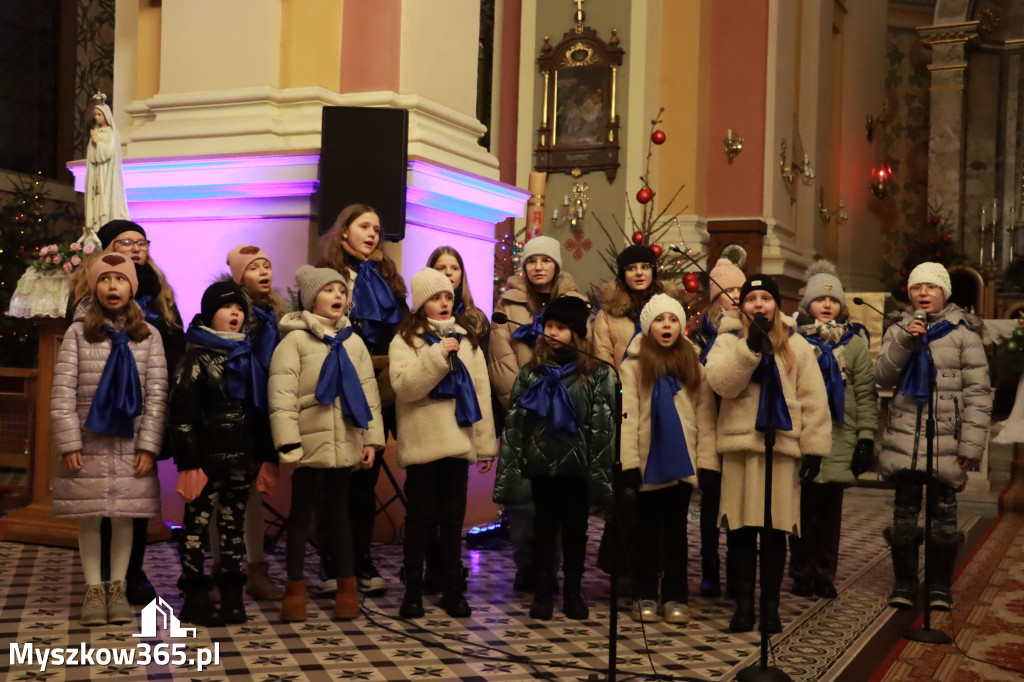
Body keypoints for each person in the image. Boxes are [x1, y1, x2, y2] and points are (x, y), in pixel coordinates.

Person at [67, 220, 185, 606]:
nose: (135, 248)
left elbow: (174, 343)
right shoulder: (90, 300)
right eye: (125, 242)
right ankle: (98, 581)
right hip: (96, 417)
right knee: (98, 501)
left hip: (142, 410)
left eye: (140, 242)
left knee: (133, 500)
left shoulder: (159, 295)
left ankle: (129, 575)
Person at [703, 274, 831, 633]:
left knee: (775, 532)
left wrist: (815, 448)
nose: (758, 304)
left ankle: (770, 608)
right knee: (741, 532)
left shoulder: (796, 344)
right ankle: (743, 607)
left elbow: (813, 399)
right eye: (751, 299)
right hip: (741, 447)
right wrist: (749, 349)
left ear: (777, 304)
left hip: (781, 448)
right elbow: (721, 384)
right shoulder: (728, 340)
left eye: (765, 298)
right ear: (742, 305)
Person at [50, 253, 167, 626]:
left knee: (124, 519)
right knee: (89, 517)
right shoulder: (78, 333)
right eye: (105, 279)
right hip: (89, 441)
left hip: (131, 444)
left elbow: (157, 394)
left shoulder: (148, 336)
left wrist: (149, 445)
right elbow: (63, 391)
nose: (112, 286)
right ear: (94, 286)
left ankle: (117, 587)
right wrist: (69, 442)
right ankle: (93, 589)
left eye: (120, 279)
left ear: (132, 288)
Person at [269, 266, 384, 622]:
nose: (338, 296)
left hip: (345, 440)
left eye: (341, 290)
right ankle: (295, 589)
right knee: (301, 517)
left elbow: (369, 395)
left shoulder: (353, 341)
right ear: (309, 299)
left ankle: (347, 588)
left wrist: (371, 440)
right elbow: (282, 396)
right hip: (307, 444)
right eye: (328, 290)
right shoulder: (294, 342)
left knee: (340, 516)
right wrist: (288, 445)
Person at [874, 262, 991, 611]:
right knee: (904, 517)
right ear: (909, 294)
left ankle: (939, 585)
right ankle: (905, 582)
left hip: (947, 441)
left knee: (943, 519)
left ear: (945, 293)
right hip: (906, 439)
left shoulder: (964, 333)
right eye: (916, 288)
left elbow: (978, 393)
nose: (923, 293)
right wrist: (906, 339)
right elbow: (882, 377)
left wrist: (971, 444)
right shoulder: (899, 328)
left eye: (931, 287)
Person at [493, 295, 615, 621]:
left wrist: (599, 472)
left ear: (576, 332)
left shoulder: (596, 375)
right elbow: (517, 424)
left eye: (561, 327)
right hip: (541, 468)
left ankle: (574, 591)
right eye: (549, 325)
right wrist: (513, 468)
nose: (553, 332)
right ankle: (544, 590)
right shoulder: (532, 372)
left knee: (576, 531)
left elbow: (601, 429)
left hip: (577, 470)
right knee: (543, 529)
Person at [389, 268, 496, 618]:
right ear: (421, 305)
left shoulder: (467, 339)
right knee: (419, 520)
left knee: (453, 521)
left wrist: (484, 445)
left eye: (448, 296)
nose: (444, 303)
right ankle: (414, 592)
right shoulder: (405, 341)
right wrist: (437, 356)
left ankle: (453, 588)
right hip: (423, 446)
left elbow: (480, 393)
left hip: (458, 444)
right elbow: (405, 387)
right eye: (436, 298)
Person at [169, 282, 276, 625]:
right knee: (196, 527)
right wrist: (188, 463)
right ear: (208, 313)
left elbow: (260, 412)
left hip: (241, 459)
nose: (236, 314)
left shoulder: (247, 356)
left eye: (240, 309)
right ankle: (196, 594)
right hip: (206, 461)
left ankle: (232, 594)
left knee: (233, 528)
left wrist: (265, 459)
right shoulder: (195, 356)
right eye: (227, 307)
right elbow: (182, 415)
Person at [318, 204, 407, 596]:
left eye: (376, 228)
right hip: (338, 386)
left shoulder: (388, 279)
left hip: (379, 387)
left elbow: (402, 331)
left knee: (365, 481)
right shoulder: (331, 278)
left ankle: (361, 559)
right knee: (335, 479)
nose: (372, 234)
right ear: (343, 233)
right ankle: (331, 563)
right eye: (363, 226)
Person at [489, 235, 581, 591]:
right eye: (531, 261)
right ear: (524, 267)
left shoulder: (576, 303)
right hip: (526, 414)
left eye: (545, 260)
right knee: (526, 501)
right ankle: (528, 566)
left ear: (556, 265)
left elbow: (582, 353)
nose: (538, 267)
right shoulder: (507, 307)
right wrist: (529, 401)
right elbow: (501, 361)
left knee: (563, 499)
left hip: (566, 414)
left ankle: (553, 569)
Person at [619, 294, 718, 624]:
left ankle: (676, 594)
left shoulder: (693, 363)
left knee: (676, 533)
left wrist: (706, 464)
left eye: (673, 320)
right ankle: (645, 593)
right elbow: (628, 417)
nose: (667, 325)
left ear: (681, 325)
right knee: (646, 533)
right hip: (648, 460)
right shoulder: (633, 366)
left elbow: (704, 417)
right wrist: (628, 463)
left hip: (681, 459)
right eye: (660, 320)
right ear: (648, 327)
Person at [205, 245, 290, 602]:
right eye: (254, 267)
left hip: (264, 410)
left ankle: (256, 567)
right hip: (232, 411)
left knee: (253, 494)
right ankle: (223, 568)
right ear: (239, 277)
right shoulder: (229, 316)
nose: (263, 271)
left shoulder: (280, 318)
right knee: (218, 496)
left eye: (267, 265)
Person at [592, 244, 681, 588]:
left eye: (646, 266)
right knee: (628, 495)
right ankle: (624, 568)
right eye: (632, 268)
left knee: (660, 493)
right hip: (624, 409)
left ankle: (656, 566)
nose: (639, 273)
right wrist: (620, 394)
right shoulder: (608, 315)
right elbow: (602, 361)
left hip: (664, 410)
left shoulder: (669, 311)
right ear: (622, 274)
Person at [789, 261, 878, 600]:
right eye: (819, 299)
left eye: (833, 300)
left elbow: (866, 394)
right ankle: (800, 572)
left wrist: (866, 438)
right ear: (806, 304)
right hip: (804, 436)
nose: (827, 305)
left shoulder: (854, 343)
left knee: (829, 515)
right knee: (801, 512)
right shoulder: (795, 340)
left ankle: (824, 573)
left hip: (841, 437)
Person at [423, 245, 490, 594]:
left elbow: (481, 379)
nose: (449, 273)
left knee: (453, 506)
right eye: (440, 267)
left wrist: (485, 438)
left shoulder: (474, 321)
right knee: (427, 506)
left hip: (461, 421)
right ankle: (432, 564)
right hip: (429, 422)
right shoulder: (420, 321)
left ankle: (451, 567)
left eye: (454, 267)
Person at [688, 257, 745, 597]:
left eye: (740, 288)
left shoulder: (749, 330)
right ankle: (709, 566)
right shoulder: (700, 335)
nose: (735, 295)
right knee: (710, 502)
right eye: (727, 290)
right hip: (709, 423)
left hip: (739, 423)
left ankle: (736, 568)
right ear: (714, 298)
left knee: (738, 502)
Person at [83, 98, 129, 248]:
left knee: (106, 198)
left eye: (99, 115)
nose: (97, 117)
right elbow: (92, 155)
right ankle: (95, 228)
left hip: (107, 173)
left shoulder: (111, 132)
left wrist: (98, 142)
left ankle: (106, 226)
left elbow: (108, 152)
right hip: (96, 172)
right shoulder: (96, 131)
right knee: (96, 200)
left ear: (106, 115)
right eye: (95, 115)